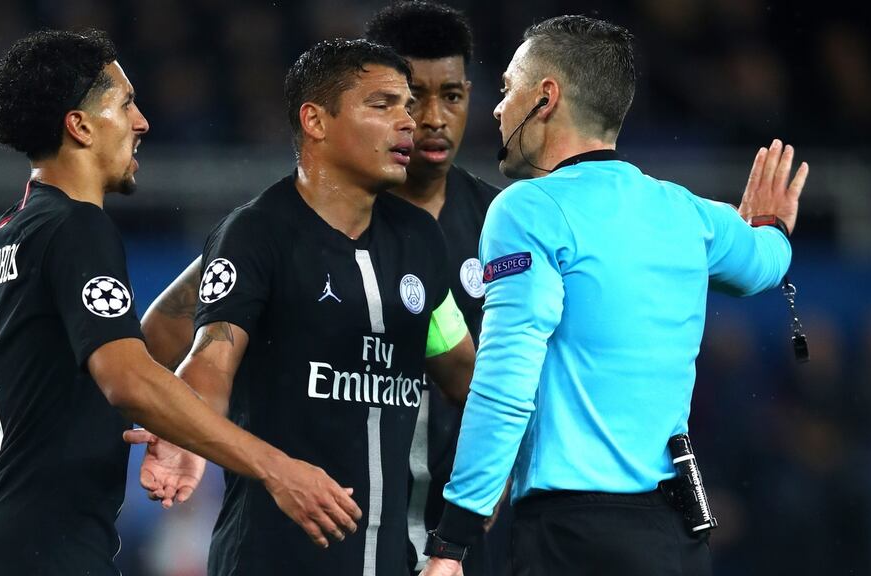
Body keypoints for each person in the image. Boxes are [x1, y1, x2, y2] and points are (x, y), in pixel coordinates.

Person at [0, 29, 360, 576]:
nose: (142, 122)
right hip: (51, 557)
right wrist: (276, 468)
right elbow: (129, 376)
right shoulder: (77, 226)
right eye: (126, 103)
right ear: (81, 125)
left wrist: (2, 525)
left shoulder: (4, 237)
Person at [421, 15, 809, 576]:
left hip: (575, 540)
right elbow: (765, 265)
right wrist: (771, 226)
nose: (498, 108)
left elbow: (506, 375)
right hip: (676, 539)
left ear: (545, 97)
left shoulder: (527, 209)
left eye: (508, 89)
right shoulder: (686, 213)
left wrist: (452, 539)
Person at [139, 38, 475, 576]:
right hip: (272, 560)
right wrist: (187, 432)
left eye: (407, 106)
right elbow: (211, 361)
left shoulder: (419, 240)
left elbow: (467, 378)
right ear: (315, 121)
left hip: (393, 562)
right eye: (383, 105)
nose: (408, 122)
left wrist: (455, 540)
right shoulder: (257, 233)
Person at [362, 3, 508, 575]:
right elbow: (179, 321)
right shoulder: (331, 218)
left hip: (471, 533)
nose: (433, 117)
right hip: (352, 525)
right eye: (410, 96)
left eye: (450, 95)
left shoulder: (503, 224)